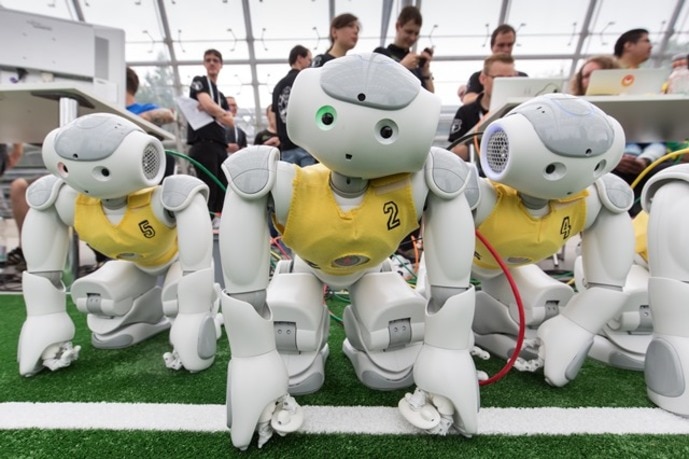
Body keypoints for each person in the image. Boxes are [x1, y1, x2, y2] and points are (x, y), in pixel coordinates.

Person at [186, 48, 235, 214]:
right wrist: (215, 111)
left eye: (215, 60)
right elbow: (207, 104)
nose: (212, 63)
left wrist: (213, 110)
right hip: (203, 144)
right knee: (208, 189)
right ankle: (203, 225)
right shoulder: (200, 81)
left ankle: (217, 226)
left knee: (222, 191)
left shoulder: (220, 95)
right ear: (204, 63)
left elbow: (230, 121)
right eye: (208, 60)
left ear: (221, 65)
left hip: (220, 146)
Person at [448, 53, 516, 161]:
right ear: (483, 78)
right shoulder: (465, 112)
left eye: (510, 78)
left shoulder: (518, 112)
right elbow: (455, 153)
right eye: (499, 78)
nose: (506, 84)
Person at [126, 66, 176, 177]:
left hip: (139, 161)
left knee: (167, 158)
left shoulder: (145, 109)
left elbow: (168, 115)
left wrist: (137, 119)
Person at [373, 5, 434, 92]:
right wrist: (402, 66)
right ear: (398, 26)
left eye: (416, 34)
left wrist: (425, 71)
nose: (412, 38)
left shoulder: (416, 65)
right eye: (409, 32)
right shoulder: (381, 54)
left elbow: (431, 96)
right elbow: (375, 85)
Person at [461, 24, 527, 104]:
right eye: (501, 45)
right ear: (492, 46)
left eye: (510, 45)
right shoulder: (477, 77)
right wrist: (487, 93)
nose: (506, 49)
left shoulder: (523, 77)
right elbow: (467, 99)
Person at [272, 44, 316, 166]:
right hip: (305, 144)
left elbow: (275, 117)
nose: (310, 63)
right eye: (309, 59)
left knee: (290, 183)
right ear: (299, 58)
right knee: (308, 183)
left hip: (286, 147)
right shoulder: (306, 80)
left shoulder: (278, 86)